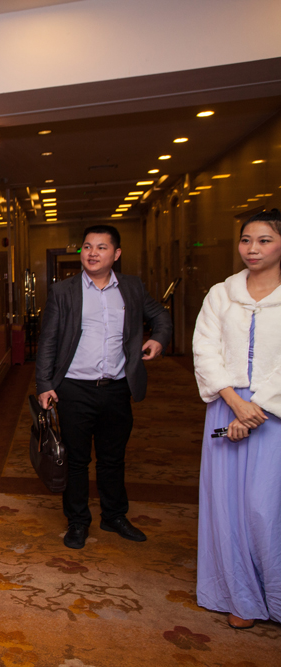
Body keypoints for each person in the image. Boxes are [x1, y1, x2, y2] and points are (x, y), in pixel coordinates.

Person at [36, 225, 172, 549]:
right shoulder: (63, 291)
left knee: (113, 457)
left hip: (116, 388)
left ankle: (114, 515)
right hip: (74, 389)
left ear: (116, 253)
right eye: (87, 247)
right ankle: (78, 521)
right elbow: (48, 340)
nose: (92, 253)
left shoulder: (132, 287)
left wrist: (158, 339)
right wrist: (44, 384)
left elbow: (161, 316)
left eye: (101, 247)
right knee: (76, 460)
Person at [193, 209, 281, 629]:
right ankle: (240, 596)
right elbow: (205, 350)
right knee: (226, 507)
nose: (252, 249)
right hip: (226, 405)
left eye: (264, 240)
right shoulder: (220, 294)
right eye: (246, 240)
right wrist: (234, 403)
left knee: (265, 507)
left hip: (274, 412)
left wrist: (256, 407)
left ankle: (275, 595)